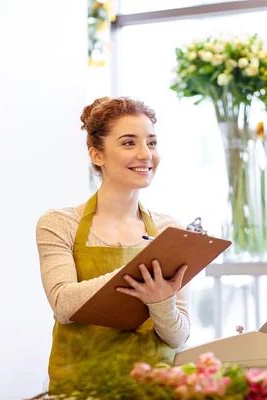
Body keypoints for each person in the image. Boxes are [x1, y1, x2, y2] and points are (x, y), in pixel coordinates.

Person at [36, 97, 191, 392]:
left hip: (153, 391)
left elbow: (179, 336)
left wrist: (161, 301)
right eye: (129, 143)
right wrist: (141, 273)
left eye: (152, 142)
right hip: (80, 391)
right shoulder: (59, 223)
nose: (146, 154)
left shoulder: (170, 230)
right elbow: (63, 304)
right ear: (97, 154)